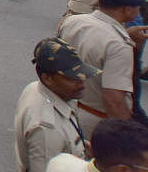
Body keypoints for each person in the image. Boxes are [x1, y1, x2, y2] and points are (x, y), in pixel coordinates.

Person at [58, 0, 148, 137]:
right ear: (127, 10)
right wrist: (126, 139)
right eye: (138, 7)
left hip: (66, 109)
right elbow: (114, 100)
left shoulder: (72, 21)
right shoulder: (118, 45)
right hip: (95, 121)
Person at [14, 37, 96, 171]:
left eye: (82, 75)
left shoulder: (36, 88)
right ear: (47, 78)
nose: (81, 82)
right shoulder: (47, 128)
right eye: (72, 78)